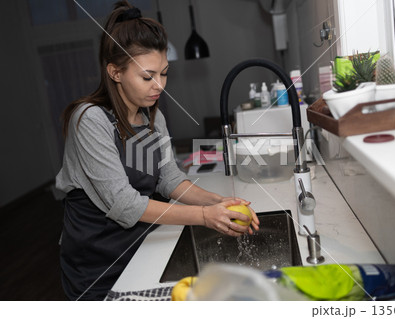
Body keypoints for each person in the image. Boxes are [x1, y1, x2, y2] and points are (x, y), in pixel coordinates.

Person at [55, 0, 259, 301]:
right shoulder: (90, 119)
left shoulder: (151, 116)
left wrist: (220, 202)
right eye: (147, 76)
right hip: (96, 263)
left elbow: (169, 179)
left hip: (140, 247)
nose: (159, 85)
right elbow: (123, 203)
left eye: (163, 73)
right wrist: (204, 216)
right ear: (115, 72)